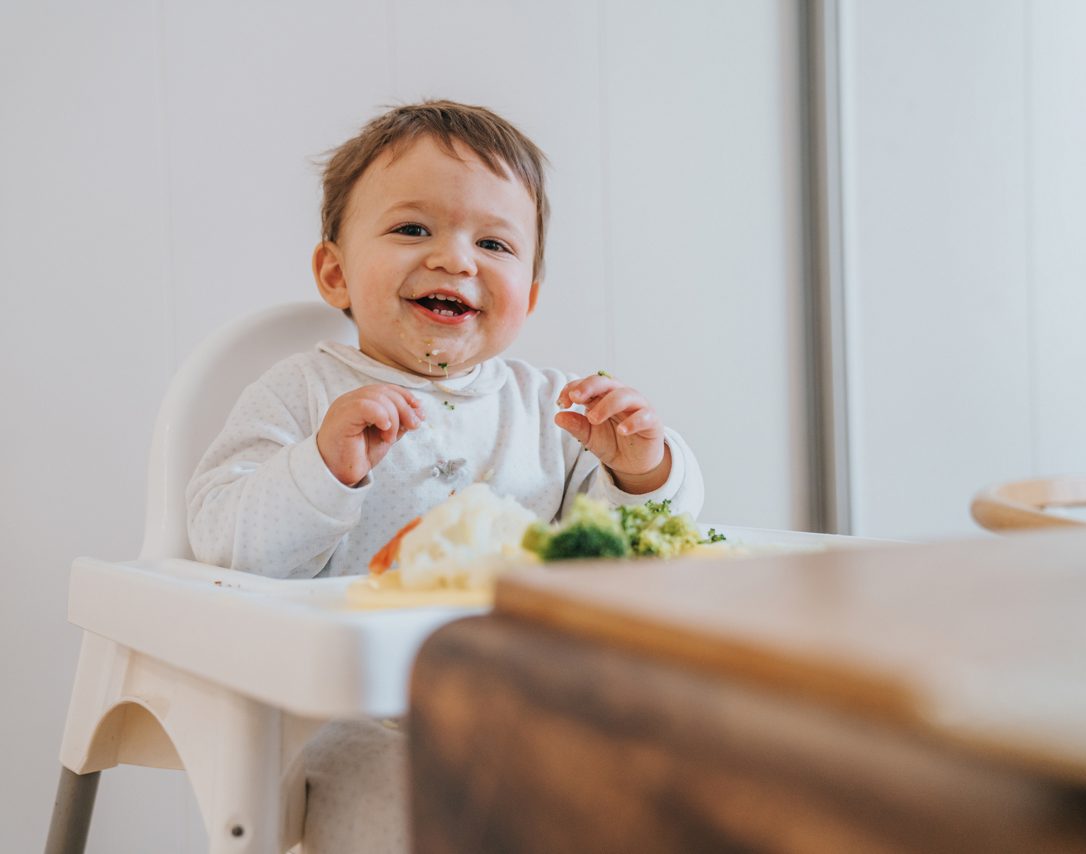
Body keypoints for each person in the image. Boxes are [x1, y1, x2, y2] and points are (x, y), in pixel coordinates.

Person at [186, 100, 704, 853]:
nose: (457, 259)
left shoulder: (551, 409)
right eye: (412, 229)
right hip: (347, 708)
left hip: (529, 703)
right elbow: (223, 540)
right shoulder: (300, 395)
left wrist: (640, 469)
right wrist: (321, 470)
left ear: (526, 296)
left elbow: (633, 554)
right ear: (335, 272)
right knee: (396, 793)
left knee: (668, 772)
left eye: (494, 242)